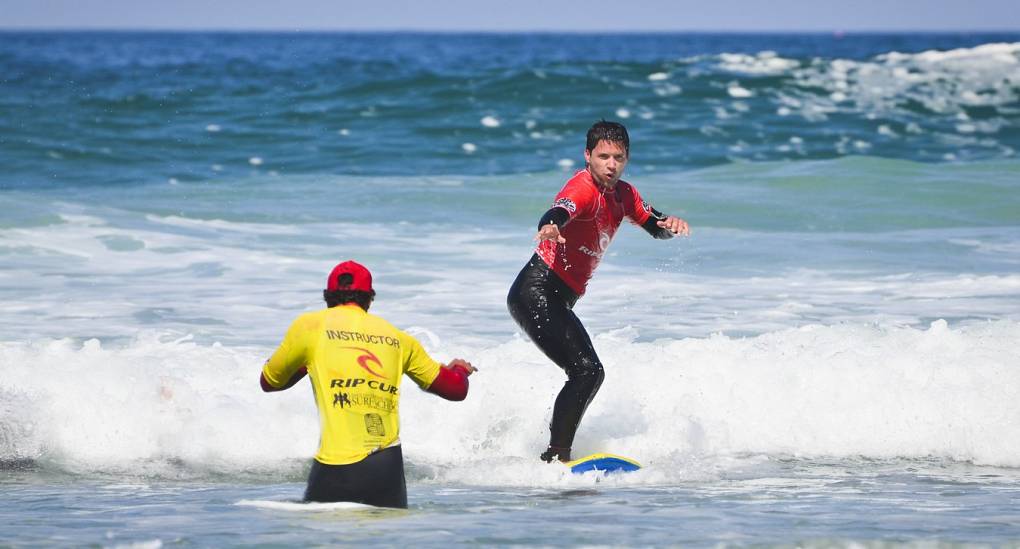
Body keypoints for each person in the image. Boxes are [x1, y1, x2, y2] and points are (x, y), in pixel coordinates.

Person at [507, 120, 689, 463]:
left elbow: (655, 226)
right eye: (603, 156)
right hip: (536, 290)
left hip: (558, 298)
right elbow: (561, 209)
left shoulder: (625, 195)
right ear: (587, 155)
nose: (611, 165)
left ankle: (555, 455)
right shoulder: (583, 189)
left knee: (585, 371)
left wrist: (671, 227)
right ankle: (556, 458)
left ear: (627, 158)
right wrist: (549, 226)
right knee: (587, 370)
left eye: (618, 157)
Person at [261, 260, 476, 508]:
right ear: (369, 299)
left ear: (328, 297)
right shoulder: (398, 338)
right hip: (386, 469)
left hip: (336, 469)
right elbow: (455, 390)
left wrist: (308, 361)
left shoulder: (309, 327)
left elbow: (269, 381)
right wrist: (459, 369)